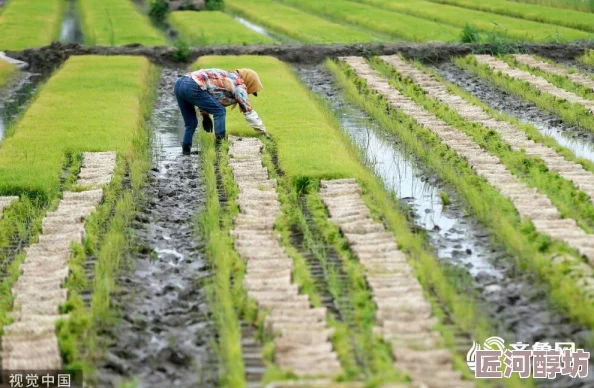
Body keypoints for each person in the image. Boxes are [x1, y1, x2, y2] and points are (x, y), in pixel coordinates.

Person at [174, 67, 269, 155]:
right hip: (192, 85)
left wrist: (205, 116)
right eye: (251, 90)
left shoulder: (227, 76)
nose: (249, 93)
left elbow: (207, 95)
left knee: (190, 123)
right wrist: (263, 131)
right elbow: (248, 111)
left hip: (179, 84)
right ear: (250, 81)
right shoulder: (239, 83)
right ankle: (220, 144)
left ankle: (186, 151)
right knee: (220, 111)